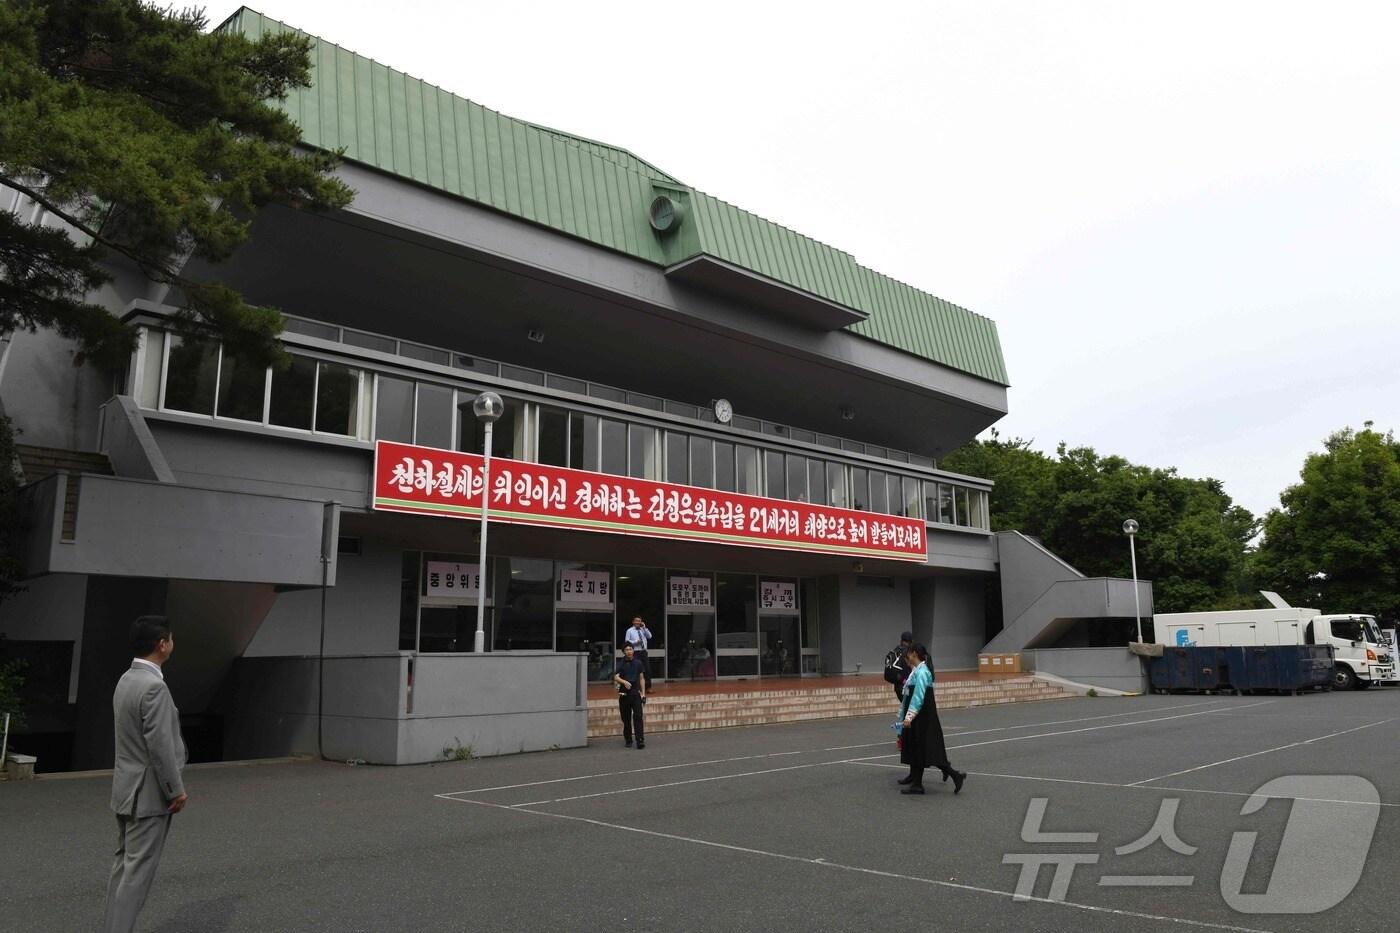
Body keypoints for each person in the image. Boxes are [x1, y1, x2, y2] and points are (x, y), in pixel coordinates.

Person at [102, 616, 188, 933]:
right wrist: (175, 790)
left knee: (123, 867)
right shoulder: (154, 687)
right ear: (162, 644)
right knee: (137, 875)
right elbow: (160, 746)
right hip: (148, 794)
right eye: (171, 639)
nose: (172, 643)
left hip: (125, 789)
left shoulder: (126, 679)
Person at [896, 643, 965, 796]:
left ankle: (919, 784)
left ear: (914, 654)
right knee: (919, 748)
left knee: (924, 749)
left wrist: (909, 716)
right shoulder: (917, 671)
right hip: (919, 716)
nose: (907, 657)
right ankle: (922, 780)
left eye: (909, 654)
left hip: (922, 717)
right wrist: (903, 715)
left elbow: (918, 696)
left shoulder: (922, 672)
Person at [613, 642, 647, 749]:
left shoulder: (638, 663)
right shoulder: (621, 663)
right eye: (627, 649)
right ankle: (628, 740)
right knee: (626, 719)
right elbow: (615, 677)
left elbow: (641, 678)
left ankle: (640, 740)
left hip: (635, 694)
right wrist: (624, 682)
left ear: (633, 650)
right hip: (624, 695)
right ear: (623, 652)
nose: (629, 651)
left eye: (630, 649)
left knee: (638, 717)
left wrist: (643, 694)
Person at [624, 616, 654, 689]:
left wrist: (644, 627)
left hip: (643, 652)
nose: (638, 622)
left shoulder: (643, 629)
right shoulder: (629, 630)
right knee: (636, 670)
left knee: (647, 669)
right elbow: (627, 641)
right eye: (636, 621)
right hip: (635, 652)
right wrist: (635, 642)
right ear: (633, 622)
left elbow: (649, 636)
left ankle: (648, 687)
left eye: (639, 621)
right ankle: (637, 688)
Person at [883, 631, 914, 702]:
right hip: (906, 686)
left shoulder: (895, 650)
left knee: (905, 705)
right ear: (910, 641)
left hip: (897, 687)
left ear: (901, 640)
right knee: (909, 705)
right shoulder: (908, 653)